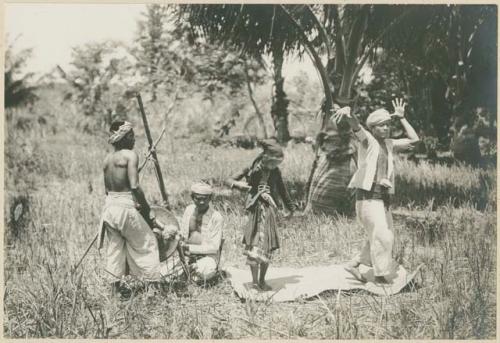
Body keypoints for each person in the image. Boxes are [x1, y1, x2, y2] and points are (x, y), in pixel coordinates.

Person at [334, 99, 419, 284]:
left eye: (388, 125)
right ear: (373, 128)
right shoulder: (368, 141)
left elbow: (414, 140)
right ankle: (380, 276)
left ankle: (354, 264)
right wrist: (349, 115)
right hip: (367, 198)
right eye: (382, 126)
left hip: (383, 198)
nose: (386, 128)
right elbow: (357, 127)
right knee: (382, 236)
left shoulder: (389, 144)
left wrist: (402, 118)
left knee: (384, 235)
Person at [98, 120, 168, 295]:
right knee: (147, 242)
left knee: (115, 248)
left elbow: (108, 191)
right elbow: (134, 186)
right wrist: (147, 211)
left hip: (109, 209)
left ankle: (114, 291)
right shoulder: (130, 155)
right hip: (124, 207)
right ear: (123, 137)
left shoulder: (107, 159)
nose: (134, 139)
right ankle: (153, 289)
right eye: (131, 135)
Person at [226, 139, 296, 291]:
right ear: (266, 158)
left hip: (269, 211)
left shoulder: (275, 172)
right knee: (254, 246)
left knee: (266, 247)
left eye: (278, 163)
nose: (275, 166)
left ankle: (262, 280)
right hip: (256, 211)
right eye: (273, 163)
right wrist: (238, 185)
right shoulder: (251, 168)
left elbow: (283, 191)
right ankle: (254, 282)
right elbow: (229, 179)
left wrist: (290, 208)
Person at [179, 182, 223, 282]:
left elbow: (214, 247)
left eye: (205, 199)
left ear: (210, 198)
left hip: (207, 257)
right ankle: (188, 270)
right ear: (192, 197)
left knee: (206, 271)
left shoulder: (217, 217)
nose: (202, 202)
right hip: (186, 255)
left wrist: (189, 248)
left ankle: (189, 271)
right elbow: (182, 233)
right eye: (198, 199)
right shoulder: (188, 210)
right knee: (163, 269)